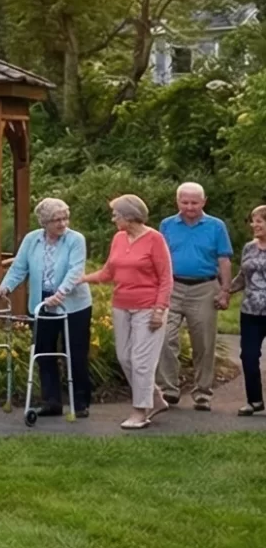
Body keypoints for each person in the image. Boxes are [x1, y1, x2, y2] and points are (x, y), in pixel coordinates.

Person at [0, 197, 91, 419]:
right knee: (44, 351)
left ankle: (80, 401)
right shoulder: (32, 240)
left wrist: (60, 293)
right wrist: (4, 288)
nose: (63, 224)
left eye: (65, 218)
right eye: (56, 220)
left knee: (75, 351)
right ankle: (51, 402)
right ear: (43, 222)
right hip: (41, 302)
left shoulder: (75, 240)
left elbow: (76, 270)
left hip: (73, 303)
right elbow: (19, 268)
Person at [84, 195, 173, 431]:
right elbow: (108, 272)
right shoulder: (119, 238)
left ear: (129, 216)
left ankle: (140, 412)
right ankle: (153, 397)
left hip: (149, 307)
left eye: (116, 215)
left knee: (141, 361)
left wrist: (159, 309)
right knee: (124, 357)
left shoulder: (155, 239)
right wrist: (81, 279)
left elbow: (166, 278)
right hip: (121, 305)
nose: (113, 218)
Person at [157, 181, 233, 411]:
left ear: (204, 201)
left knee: (204, 342)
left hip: (204, 287)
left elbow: (224, 259)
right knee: (164, 337)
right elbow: (160, 258)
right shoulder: (167, 225)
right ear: (177, 201)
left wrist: (225, 290)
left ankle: (202, 393)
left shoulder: (215, 226)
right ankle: (168, 390)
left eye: (194, 202)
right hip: (173, 286)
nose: (189, 207)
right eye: (184, 202)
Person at [237, 207, 266, 419]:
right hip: (250, 311)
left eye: (260, 222)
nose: (254, 225)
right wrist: (224, 291)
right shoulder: (249, 248)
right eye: (253, 221)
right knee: (248, 355)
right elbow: (242, 277)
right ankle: (254, 401)